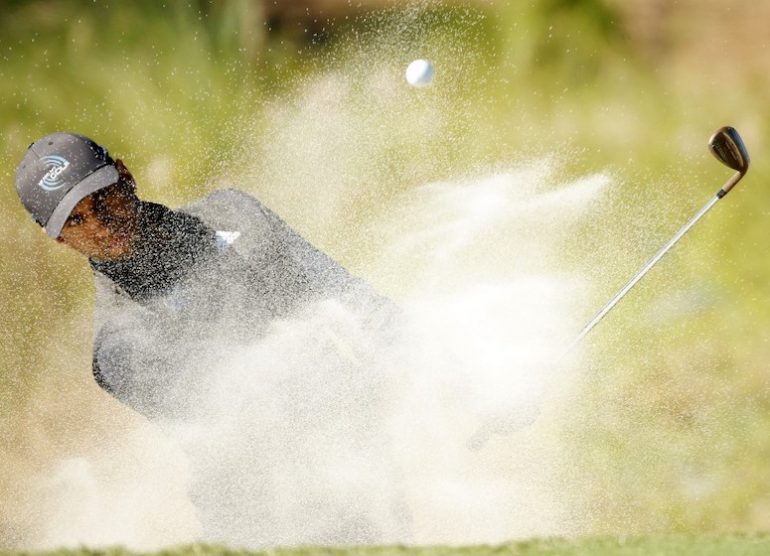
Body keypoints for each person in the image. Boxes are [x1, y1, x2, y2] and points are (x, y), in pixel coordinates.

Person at [15, 132, 409, 545]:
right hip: (264, 522)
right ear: (57, 238)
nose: (100, 225)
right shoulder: (119, 349)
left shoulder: (235, 215)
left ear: (124, 175)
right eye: (76, 220)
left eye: (100, 199)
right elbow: (239, 421)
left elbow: (347, 296)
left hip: (360, 470)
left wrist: (446, 371)